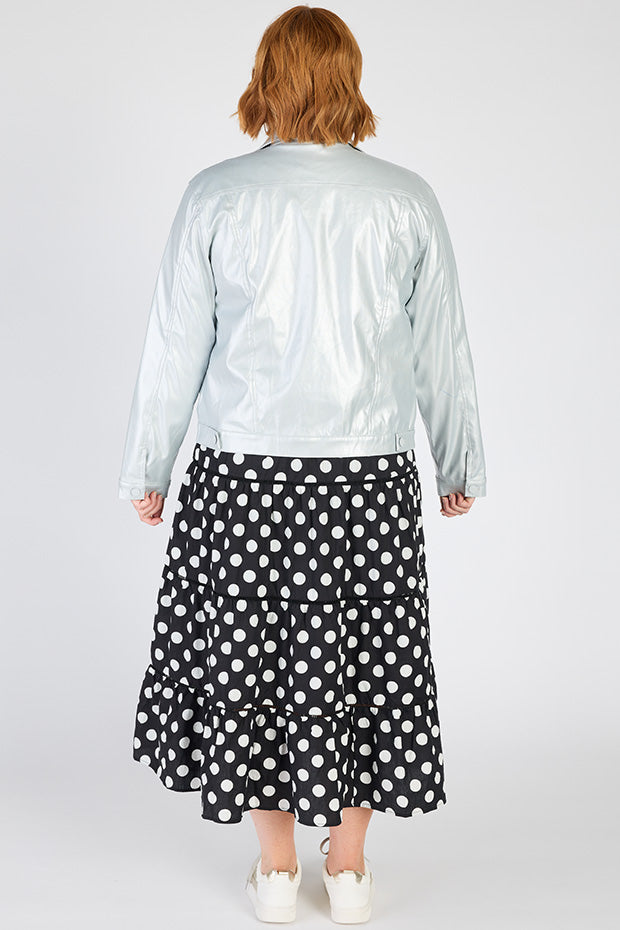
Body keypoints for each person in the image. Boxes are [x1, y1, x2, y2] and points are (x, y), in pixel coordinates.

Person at [118, 5, 487, 923]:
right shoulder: (405, 198)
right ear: (349, 79)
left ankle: (277, 870)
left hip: (245, 479)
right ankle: (350, 869)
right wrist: (459, 461)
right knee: (370, 661)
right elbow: (440, 345)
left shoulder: (215, 195)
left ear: (265, 80)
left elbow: (175, 346)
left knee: (250, 664)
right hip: (366, 478)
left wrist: (148, 467)